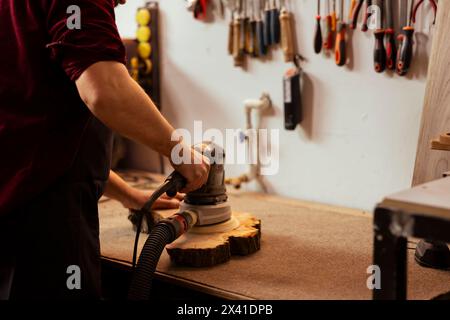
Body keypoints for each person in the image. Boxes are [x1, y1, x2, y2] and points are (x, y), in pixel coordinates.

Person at [0, 0, 210, 299]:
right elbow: (105, 91)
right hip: (44, 229)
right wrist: (180, 153)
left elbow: (36, 136)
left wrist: (130, 196)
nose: (123, 1)